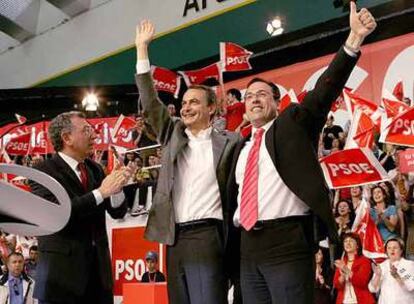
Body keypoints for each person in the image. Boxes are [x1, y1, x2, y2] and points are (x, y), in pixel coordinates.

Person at [227, 2, 376, 303]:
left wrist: (353, 41)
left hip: (287, 242)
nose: (254, 100)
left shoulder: (292, 123)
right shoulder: (239, 148)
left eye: (261, 95)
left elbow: (324, 91)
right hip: (247, 249)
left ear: (276, 102)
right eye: (248, 96)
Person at [135, 21, 240, 304]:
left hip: (208, 237)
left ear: (211, 108)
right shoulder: (172, 134)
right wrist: (142, 50)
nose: (186, 107)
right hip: (173, 238)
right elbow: (149, 100)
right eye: (184, 102)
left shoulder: (231, 142)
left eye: (194, 102)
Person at [30, 111, 135, 304]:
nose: (94, 135)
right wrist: (101, 192)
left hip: (98, 278)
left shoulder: (95, 168)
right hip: (61, 279)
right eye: (86, 130)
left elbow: (117, 212)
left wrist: (117, 188)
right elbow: (57, 214)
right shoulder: (42, 172)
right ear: (66, 137)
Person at [369, 238, 414, 303]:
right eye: (389, 248)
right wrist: (377, 276)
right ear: (386, 251)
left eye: (395, 247)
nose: (392, 250)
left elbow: (411, 286)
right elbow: (372, 289)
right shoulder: (381, 266)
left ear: (401, 250)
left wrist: (397, 277)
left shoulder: (409, 265)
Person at [333, 233, 375, 304]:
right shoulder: (342, 262)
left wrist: (346, 270)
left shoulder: (364, 261)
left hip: (361, 300)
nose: (348, 243)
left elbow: (362, 282)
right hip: (344, 301)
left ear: (357, 245)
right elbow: (337, 285)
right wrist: (342, 276)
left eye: (351, 241)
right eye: (345, 241)